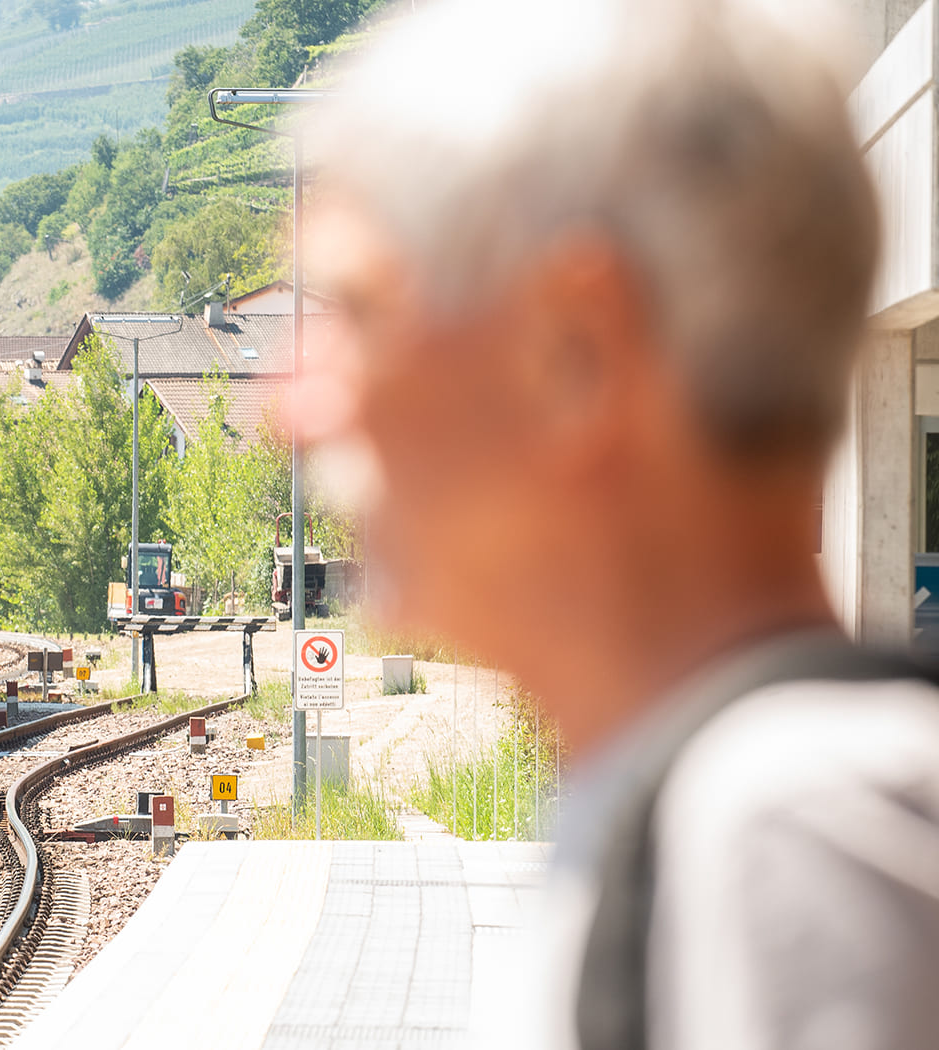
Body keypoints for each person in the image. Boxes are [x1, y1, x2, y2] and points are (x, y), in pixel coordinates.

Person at [304, 1, 939, 1048]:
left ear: (574, 353)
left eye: (361, 314)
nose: (304, 405)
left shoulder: (790, 845)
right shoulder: (725, 815)